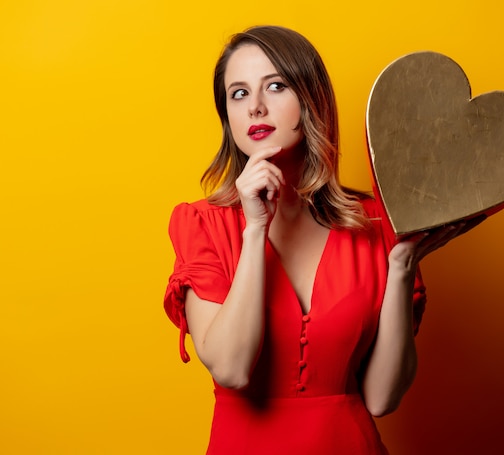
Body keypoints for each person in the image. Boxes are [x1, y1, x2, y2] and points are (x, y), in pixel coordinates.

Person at [164, 25, 474, 455]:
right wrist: (254, 229)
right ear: (226, 117)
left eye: (275, 86)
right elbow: (232, 368)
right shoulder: (201, 224)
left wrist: (401, 268)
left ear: (311, 100)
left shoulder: (376, 224)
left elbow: (383, 398)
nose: (255, 107)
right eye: (238, 94)